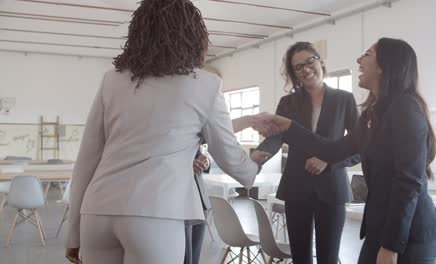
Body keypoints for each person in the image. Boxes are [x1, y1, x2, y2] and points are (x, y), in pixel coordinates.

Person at [64, 0, 270, 263]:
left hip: (98, 215)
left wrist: (73, 233)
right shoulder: (206, 84)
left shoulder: (112, 80)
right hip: (156, 214)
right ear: (193, 36)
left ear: (138, 34)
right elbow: (228, 155)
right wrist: (252, 168)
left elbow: (87, 160)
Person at [259, 38, 436, 264]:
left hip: (410, 236)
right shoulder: (372, 114)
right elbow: (333, 149)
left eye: (366, 54)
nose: (358, 59)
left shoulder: (405, 109)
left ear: (384, 65)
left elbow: (408, 183)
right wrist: (288, 127)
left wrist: (390, 246)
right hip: (382, 230)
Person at [252, 41, 360, 264]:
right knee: (300, 257)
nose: (306, 69)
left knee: (328, 257)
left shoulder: (344, 99)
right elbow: (276, 137)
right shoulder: (288, 102)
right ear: (293, 74)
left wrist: (329, 161)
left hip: (331, 187)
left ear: (321, 61)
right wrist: (260, 154)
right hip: (296, 186)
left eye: (310, 62)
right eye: (298, 67)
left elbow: (359, 146)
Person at [185, 114, 271, 264]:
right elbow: (217, 132)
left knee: (193, 257)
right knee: (183, 257)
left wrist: (205, 160)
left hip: (199, 200)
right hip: (178, 203)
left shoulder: (192, 118)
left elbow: (207, 139)